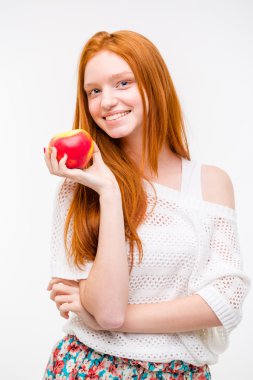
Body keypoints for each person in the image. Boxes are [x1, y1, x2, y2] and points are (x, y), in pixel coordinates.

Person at [43, 30, 250, 380]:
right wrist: (109, 192)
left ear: (154, 85)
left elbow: (226, 300)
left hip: (178, 372)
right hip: (85, 366)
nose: (106, 101)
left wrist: (115, 316)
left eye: (122, 83)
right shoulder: (79, 187)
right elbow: (107, 311)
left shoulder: (210, 183)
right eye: (94, 91)